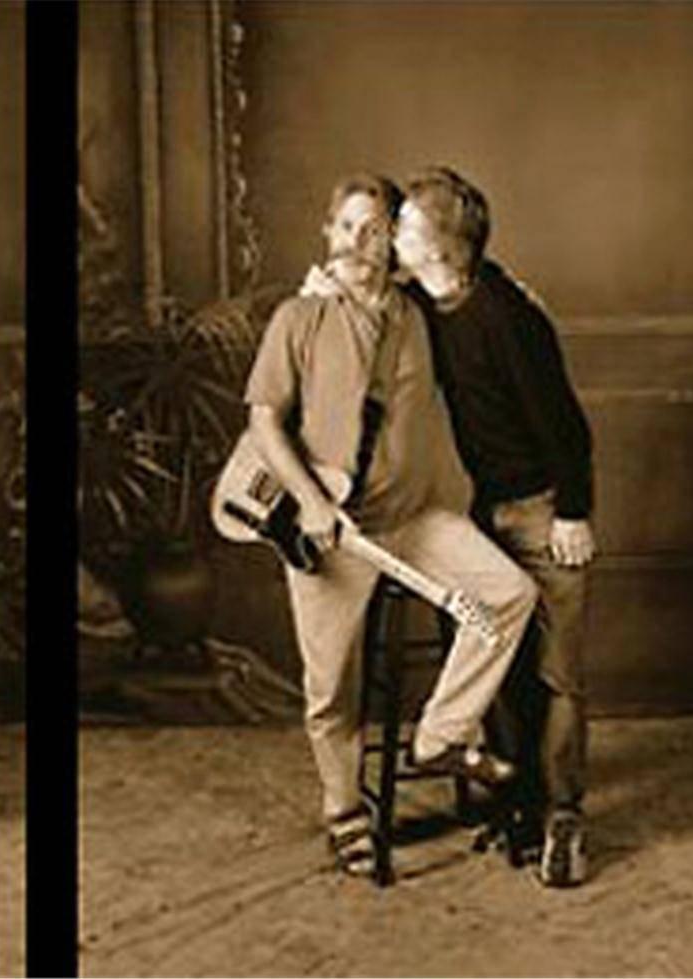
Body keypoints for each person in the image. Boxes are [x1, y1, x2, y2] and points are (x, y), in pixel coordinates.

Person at [242, 173, 538, 879]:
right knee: (329, 686)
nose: (356, 241)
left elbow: (466, 280)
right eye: (344, 227)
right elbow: (261, 420)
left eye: (373, 228)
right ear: (326, 233)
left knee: (507, 593)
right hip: (332, 531)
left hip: (411, 518)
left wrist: (523, 306)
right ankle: (343, 810)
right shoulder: (299, 316)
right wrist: (310, 502)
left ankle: (437, 737)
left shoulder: (416, 313)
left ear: (392, 240)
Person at [395, 166, 595, 887]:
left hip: (545, 510)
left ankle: (563, 817)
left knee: (557, 674)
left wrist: (573, 511)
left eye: (405, 226)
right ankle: (517, 799)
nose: (394, 235)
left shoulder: (510, 319)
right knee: (486, 647)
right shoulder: (426, 296)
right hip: (489, 508)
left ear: (443, 246)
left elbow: (566, 426)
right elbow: (374, 293)